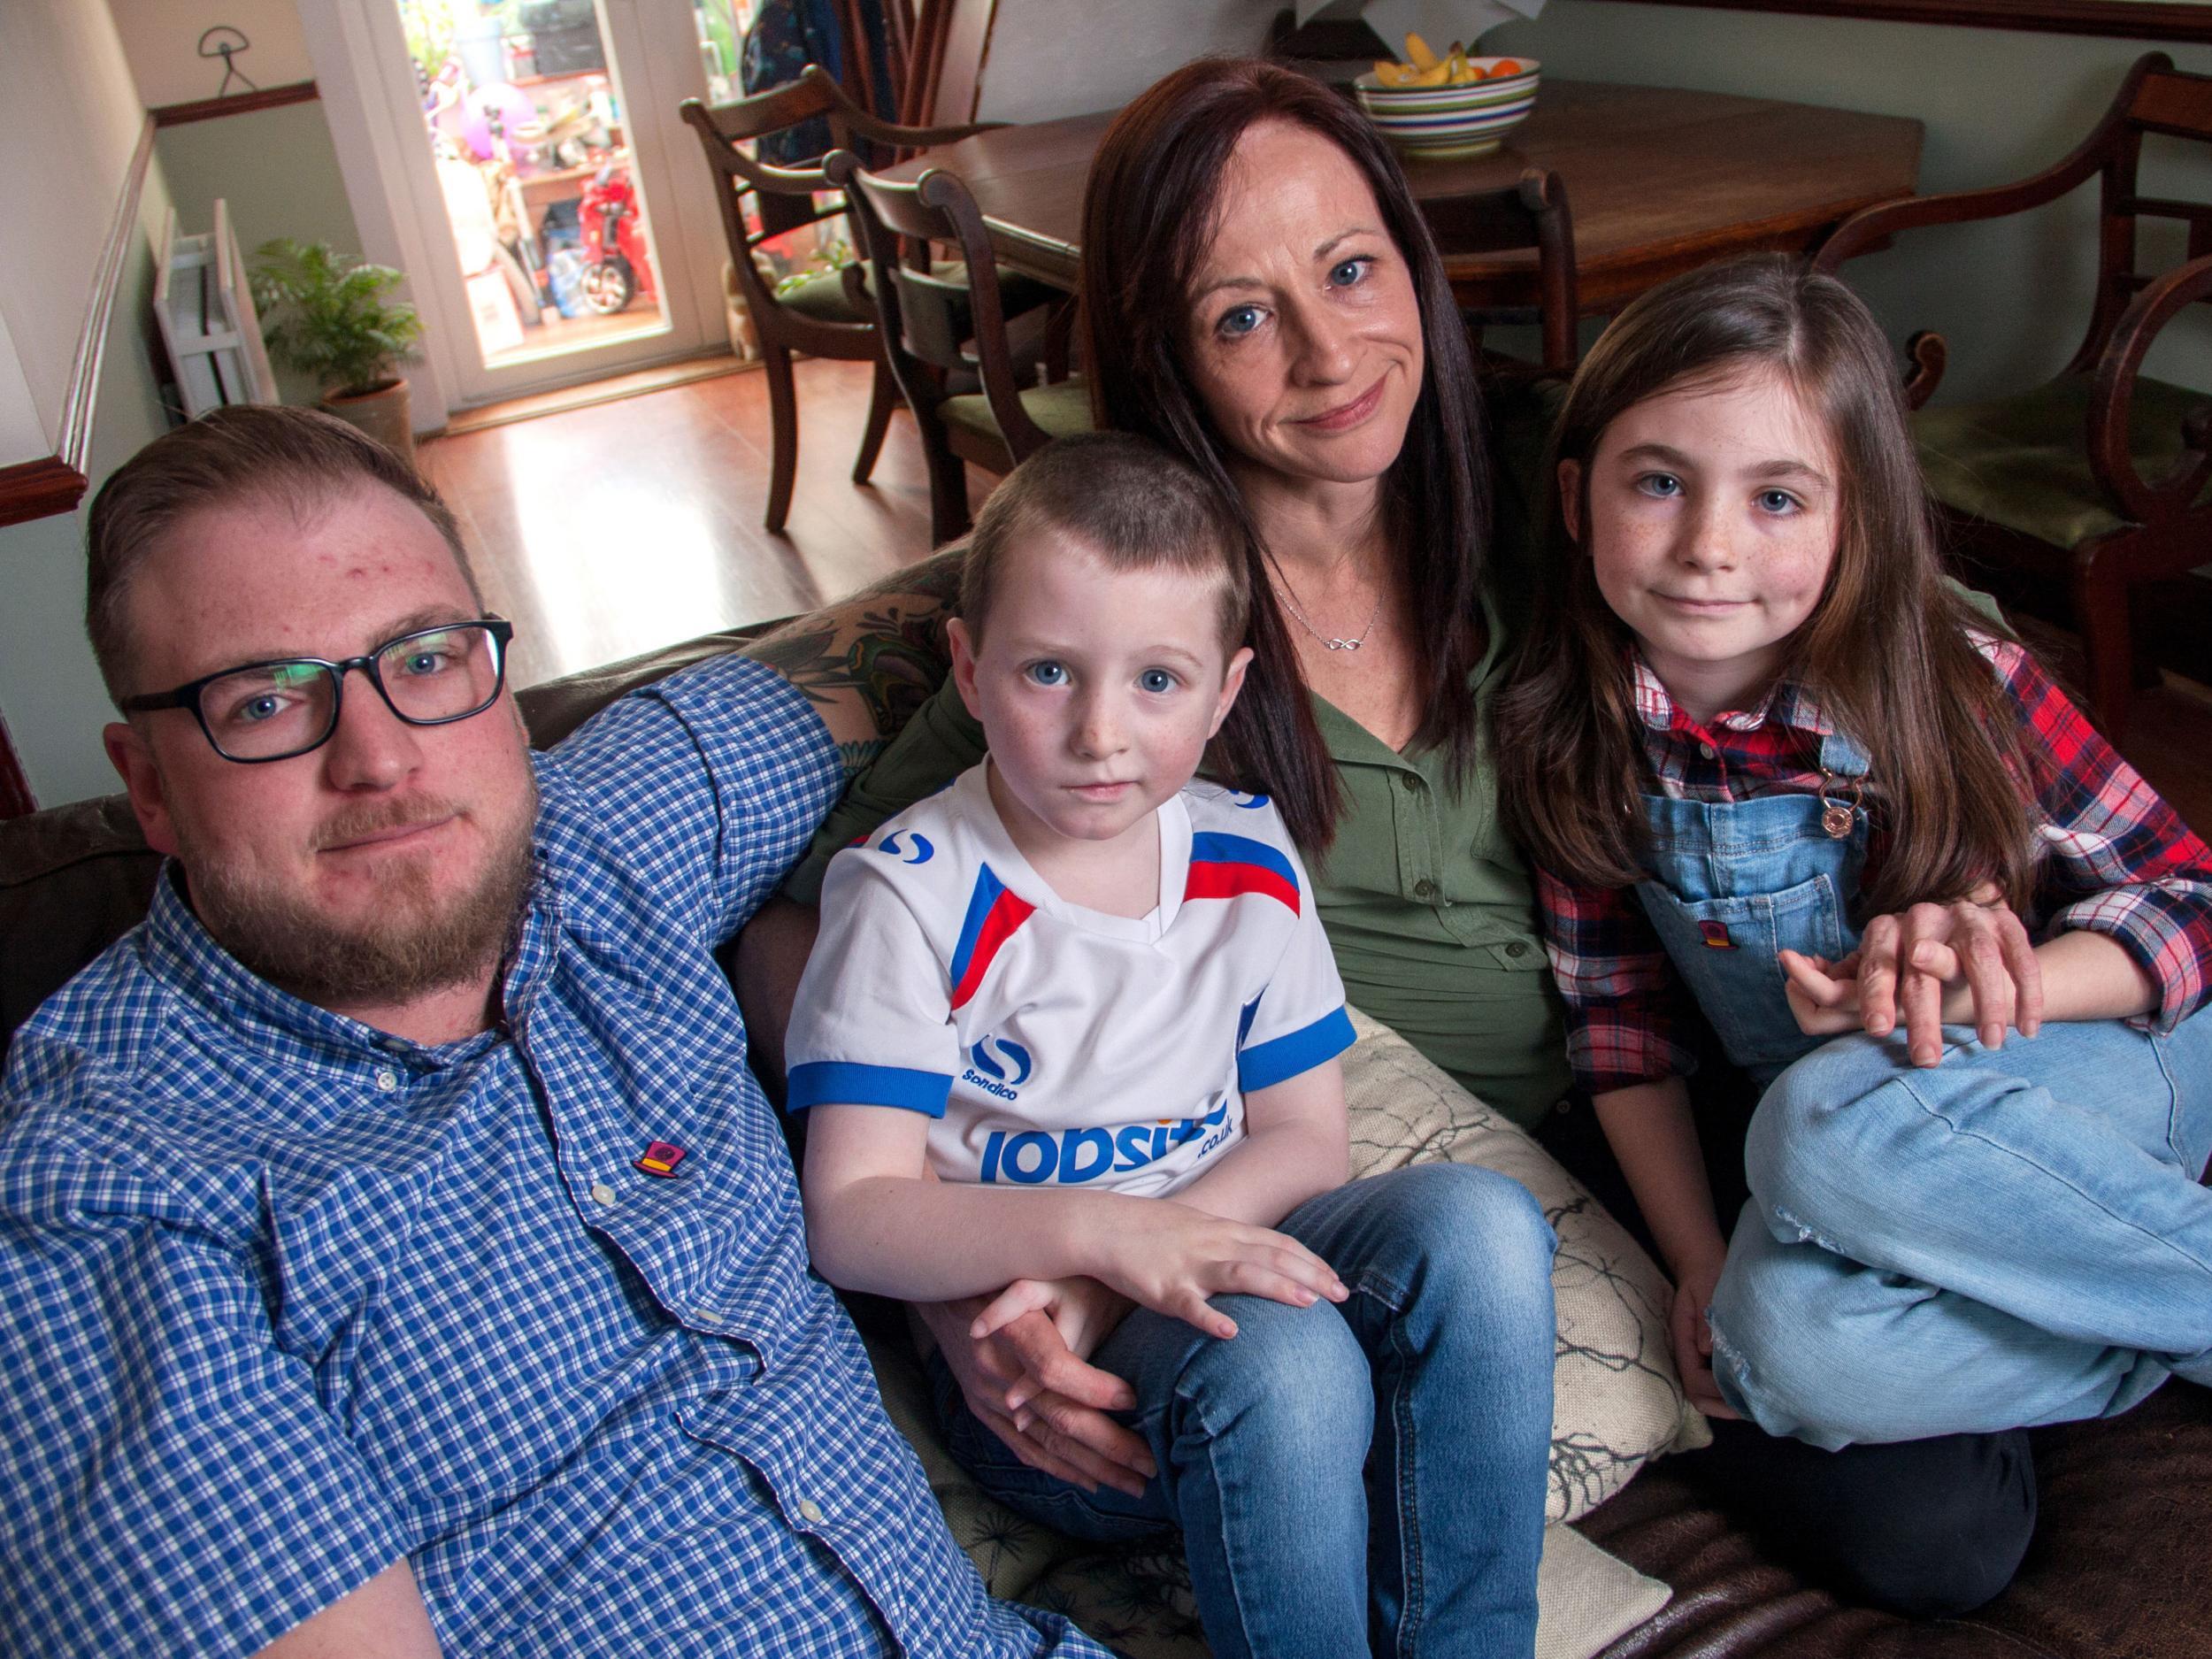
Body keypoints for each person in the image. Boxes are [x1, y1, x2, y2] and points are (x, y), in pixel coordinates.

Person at [739, 58, 2036, 1614]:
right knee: (1927, 1536)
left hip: (1721, 1073)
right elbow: (804, 929)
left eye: (1353, 270)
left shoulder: (1561, 481)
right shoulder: (1138, 637)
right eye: (1240, 315)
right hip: (1425, 1188)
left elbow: (1891, 612)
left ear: (1411, 263)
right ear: (1165, 358)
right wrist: (976, 1278)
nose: (1329, 350)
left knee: (1952, 1515)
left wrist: (1959, 879)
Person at [0, 405, 1113, 1659]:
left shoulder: (597, 836)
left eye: (423, 659)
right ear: (146, 783)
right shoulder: (94, 1201)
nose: (380, 758)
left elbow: (987, 607)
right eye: (262, 701)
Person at [1494, 254, 2212, 1599]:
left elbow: (2189, 904)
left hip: (2115, 1066)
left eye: (1777, 498)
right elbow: (1623, 1034)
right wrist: (1701, 1273)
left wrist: (1990, 995)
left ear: (1854, 523)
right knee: (1784, 1348)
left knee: (1819, 1119)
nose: (1711, 544)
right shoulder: (1575, 744)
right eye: (1658, 481)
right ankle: (2128, 1315)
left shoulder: (1953, 684)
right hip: (1876, 1170)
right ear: (1575, 499)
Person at [785, 433, 1555, 1659]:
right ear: (969, 671)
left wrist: (1147, 1254)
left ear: (1227, 691)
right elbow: (853, 1211)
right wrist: (1100, 1244)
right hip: (1054, 1378)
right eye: (1048, 672)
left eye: (1157, 681)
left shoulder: (1248, 854)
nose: (1101, 733)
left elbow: (1307, 1138)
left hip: (1195, 1249)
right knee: (1288, 1357)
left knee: (1489, 1228)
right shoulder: (912, 894)